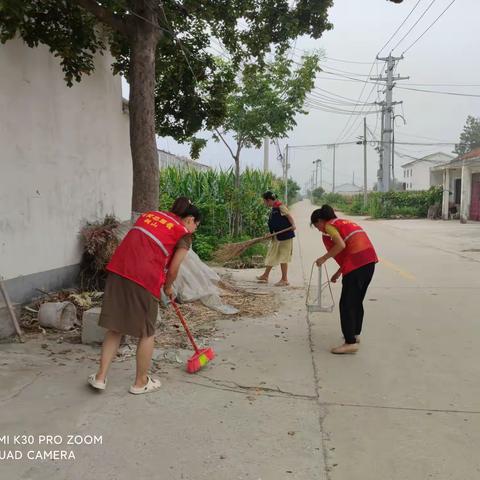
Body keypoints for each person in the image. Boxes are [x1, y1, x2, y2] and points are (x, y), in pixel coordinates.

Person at [88, 200, 201, 394]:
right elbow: (173, 268)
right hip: (145, 277)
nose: (194, 230)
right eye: (196, 225)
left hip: (118, 270)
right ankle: (140, 382)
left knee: (115, 327)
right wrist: (168, 287)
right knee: (147, 332)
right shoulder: (183, 233)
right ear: (190, 219)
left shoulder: (150, 215)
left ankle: (100, 377)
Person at [311, 205, 377, 354]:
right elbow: (350, 249)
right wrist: (339, 272)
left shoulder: (330, 226)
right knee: (356, 301)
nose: (319, 229)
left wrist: (323, 258)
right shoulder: (345, 223)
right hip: (369, 263)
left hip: (357, 266)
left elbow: (341, 245)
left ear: (321, 220)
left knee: (346, 304)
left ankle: (350, 343)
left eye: (317, 226)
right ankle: (354, 334)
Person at [257, 191, 296, 287]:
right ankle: (265, 276)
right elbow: (275, 222)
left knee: (283, 257)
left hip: (285, 236)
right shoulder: (274, 208)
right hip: (277, 236)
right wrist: (270, 233)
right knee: (272, 255)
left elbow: (289, 216)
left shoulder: (280, 206)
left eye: (265, 201)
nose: (264, 203)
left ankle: (284, 279)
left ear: (269, 200)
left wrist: (293, 224)